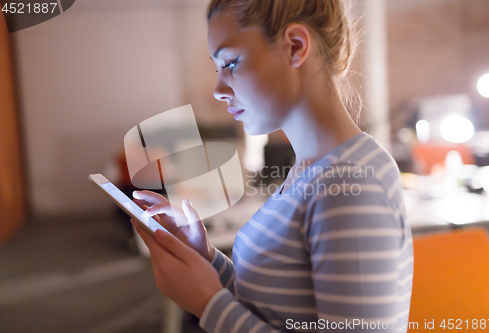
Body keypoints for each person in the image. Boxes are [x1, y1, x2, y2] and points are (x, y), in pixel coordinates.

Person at [130, 0, 414, 332]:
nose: (219, 90)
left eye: (232, 63)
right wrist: (204, 257)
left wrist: (208, 304)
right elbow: (274, 306)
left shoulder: (351, 183)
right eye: (217, 68)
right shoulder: (313, 169)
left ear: (295, 46)